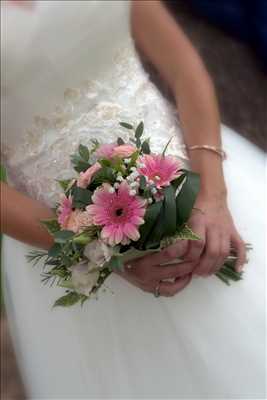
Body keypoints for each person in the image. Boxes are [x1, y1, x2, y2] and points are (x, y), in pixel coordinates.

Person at [1, 1, 265, 398]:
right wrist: (94, 251)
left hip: (201, 176)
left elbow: (184, 68)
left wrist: (212, 196)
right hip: (72, 243)